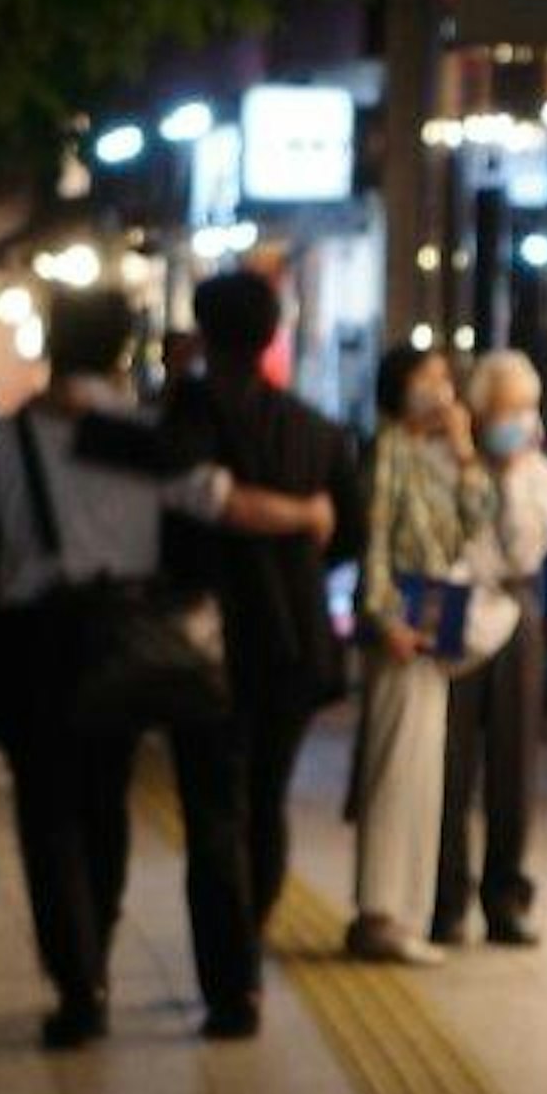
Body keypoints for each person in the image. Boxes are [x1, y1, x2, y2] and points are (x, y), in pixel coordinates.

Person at [0, 288, 335, 1049]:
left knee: (46, 816)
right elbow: (223, 503)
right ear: (124, 350)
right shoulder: (147, 434)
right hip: (124, 639)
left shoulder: (10, 440)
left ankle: (79, 982)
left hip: (37, 644)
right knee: (104, 803)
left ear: (50, 340)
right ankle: (119, 959)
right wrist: (310, 514)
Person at [142, 269, 368, 1037]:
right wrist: (302, 537)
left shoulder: (182, 419)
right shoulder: (318, 429)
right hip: (297, 644)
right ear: (273, 334)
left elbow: (171, 510)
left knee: (213, 811)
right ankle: (252, 941)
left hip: (201, 647)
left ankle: (231, 987)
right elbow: (352, 534)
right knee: (265, 801)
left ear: (204, 334)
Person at [347, 343, 494, 966]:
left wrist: (464, 451)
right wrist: (384, 619)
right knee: (394, 769)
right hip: (402, 630)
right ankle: (379, 913)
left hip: (437, 622)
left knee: (424, 773)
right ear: (400, 386)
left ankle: (406, 911)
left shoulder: (436, 458)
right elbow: (374, 538)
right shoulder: (387, 450)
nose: (441, 388)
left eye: (444, 377)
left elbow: (477, 519)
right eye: (428, 377)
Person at [435, 348, 547, 949]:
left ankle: (506, 898)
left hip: (512, 613)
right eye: (504, 408)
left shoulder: (539, 475)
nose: (516, 419)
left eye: (525, 409)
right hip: (454, 613)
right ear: (479, 410)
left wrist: (507, 474)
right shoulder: (450, 461)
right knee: (448, 767)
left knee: (512, 770)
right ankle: (445, 899)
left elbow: (521, 551)